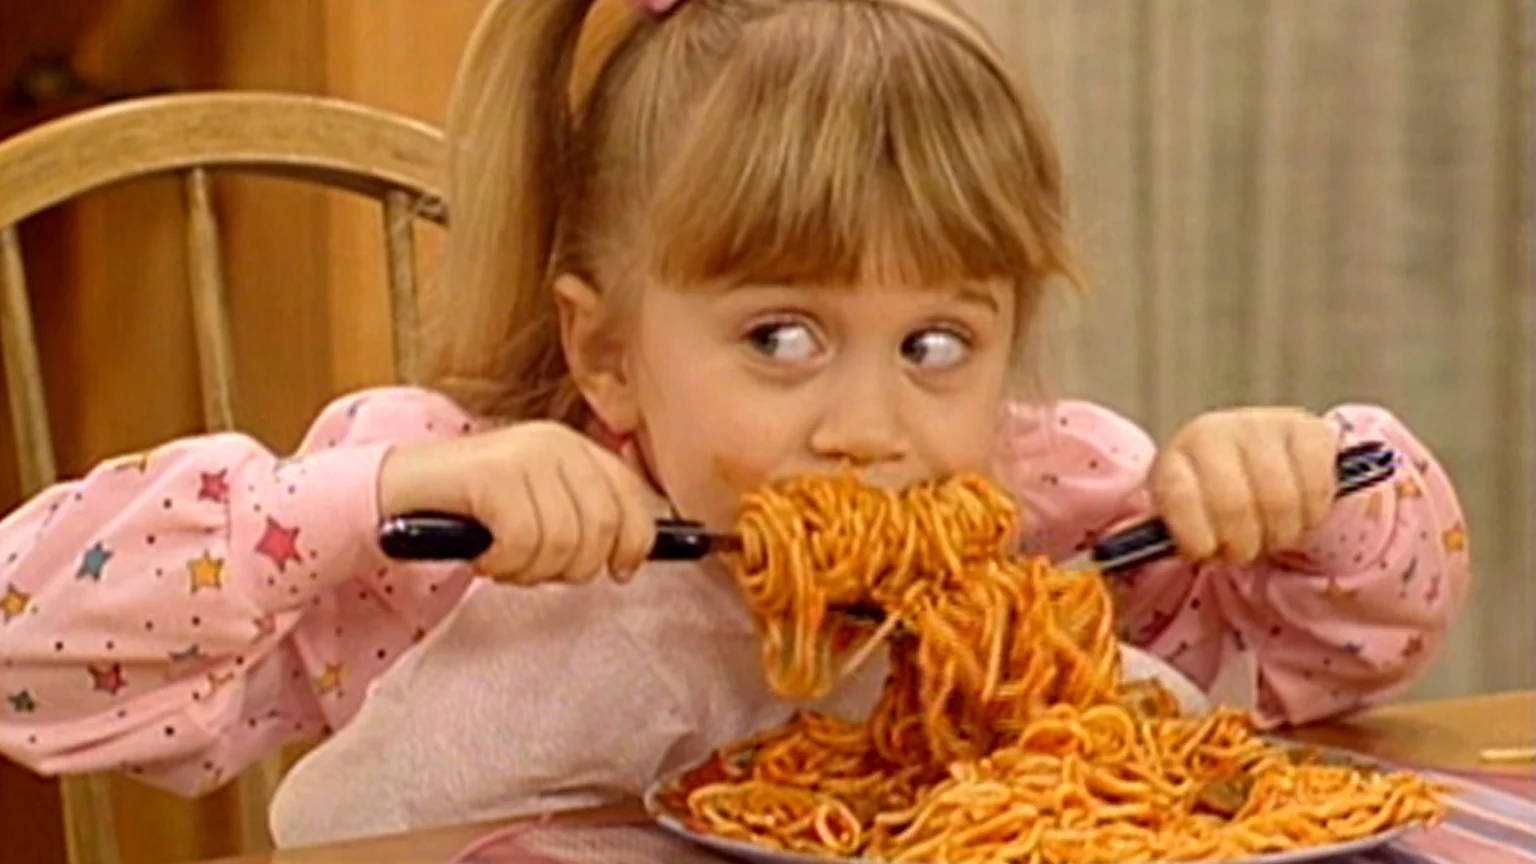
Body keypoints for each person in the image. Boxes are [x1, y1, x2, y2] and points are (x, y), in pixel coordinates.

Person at [0, 0, 1469, 847]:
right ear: (609, 350)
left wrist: (1313, 487)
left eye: (939, 341)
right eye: (781, 336)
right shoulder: (450, 534)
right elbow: (24, 647)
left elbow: (1341, 656)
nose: (868, 426)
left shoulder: (1055, 502)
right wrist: (360, 502)